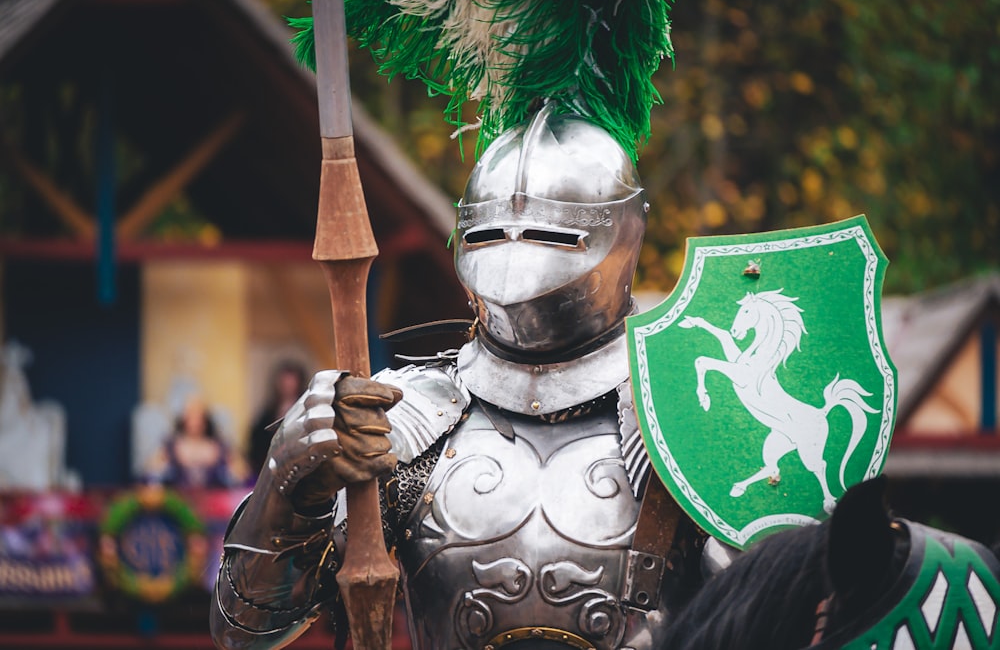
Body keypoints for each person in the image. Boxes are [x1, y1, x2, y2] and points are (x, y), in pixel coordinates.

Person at [210, 106, 720, 650]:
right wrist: (288, 488)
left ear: (625, 233)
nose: (514, 257)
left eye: (552, 233)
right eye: (492, 232)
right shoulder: (405, 416)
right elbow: (246, 631)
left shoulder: (685, 408)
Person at [146, 395, 248, 490]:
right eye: (191, 416)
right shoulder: (170, 445)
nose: (195, 422)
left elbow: (241, 471)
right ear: (183, 418)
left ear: (206, 419)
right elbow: (152, 471)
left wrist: (233, 472)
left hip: (214, 501)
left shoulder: (220, 445)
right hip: (180, 501)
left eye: (199, 416)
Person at [247, 360, 309, 476]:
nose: (287, 385)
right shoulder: (267, 413)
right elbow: (256, 444)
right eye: (284, 381)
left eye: (291, 381)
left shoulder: (307, 410)